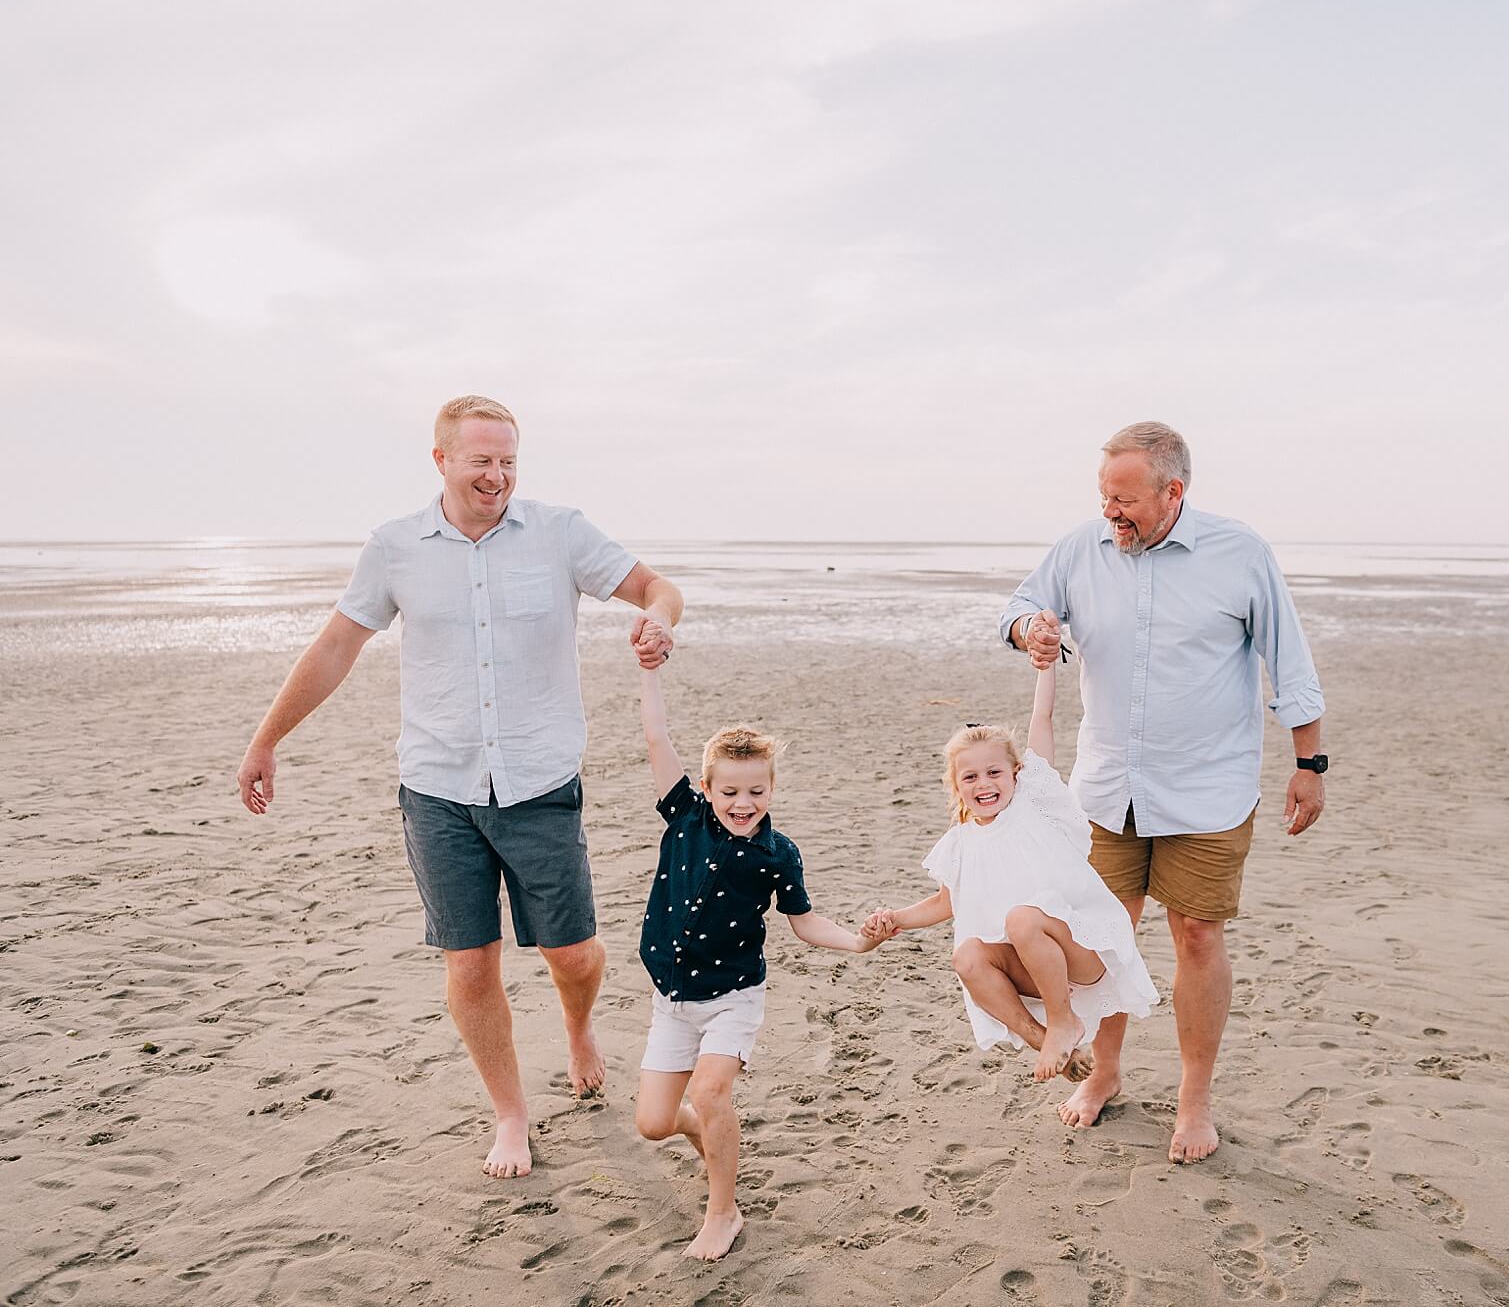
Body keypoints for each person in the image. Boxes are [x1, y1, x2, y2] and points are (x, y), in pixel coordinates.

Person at [234, 394, 684, 1180]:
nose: (497, 475)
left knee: (573, 954)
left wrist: (659, 621)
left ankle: (578, 1028)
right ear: (441, 460)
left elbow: (657, 588)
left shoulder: (560, 532)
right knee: (470, 965)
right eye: (481, 460)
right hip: (436, 788)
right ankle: (510, 1114)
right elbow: (338, 645)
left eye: (508, 460)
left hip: (541, 783)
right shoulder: (395, 547)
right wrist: (268, 738)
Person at [999, 421, 1326, 1163]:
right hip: (1107, 787)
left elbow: (1290, 662)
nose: (1113, 513)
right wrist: (1030, 630)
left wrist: (1313, 763)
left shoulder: (1240, 553)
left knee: (1197, 936)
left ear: (1173, 491)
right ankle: (1107, 1074)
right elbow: (1016, 607)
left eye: (1127, 501)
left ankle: (1195, 1102)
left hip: (1207, 790)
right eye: (1105, 498)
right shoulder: (1082, 547)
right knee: (1103, 938)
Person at [628, 620, 886, 1261]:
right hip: (672, 994)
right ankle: (708, 1138)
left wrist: (856, 943)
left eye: (757, 791)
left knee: (710, 1090)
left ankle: (724, 1210)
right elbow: (656, 735)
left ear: (772, 788)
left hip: (734, 994)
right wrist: (650, 671)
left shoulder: (778, 853)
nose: (743, 803)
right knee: (655, 1123)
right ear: (708, 788)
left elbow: (803, 921)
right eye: (731, 791)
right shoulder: (685, 813)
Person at [863, 663, 1158, 1083]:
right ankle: (1046, 1039)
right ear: (956, 785)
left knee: (1021, 916)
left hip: (1079, 952)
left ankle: (1062, 1021)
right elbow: (944, 903)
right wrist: (894, 920)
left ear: (1016, 774)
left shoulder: (1033, 803)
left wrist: (1046, 666)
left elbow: (1043, 718)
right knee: (965, 955)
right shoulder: (962, 840)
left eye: (994, 772)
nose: (984, 784)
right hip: (1030, 969)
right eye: (970, 777)